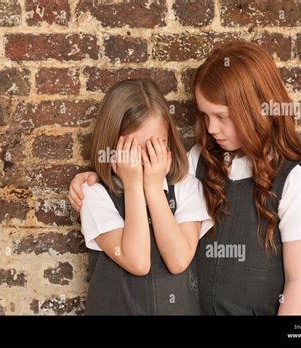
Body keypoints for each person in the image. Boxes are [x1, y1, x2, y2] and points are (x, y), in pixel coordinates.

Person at [69, 42, 301, 315]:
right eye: (205, 116)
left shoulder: (292, 182)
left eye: (222, 116)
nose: (212, 128)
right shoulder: (198, 161)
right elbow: (155, 177)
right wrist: (99, 174)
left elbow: (298, 282)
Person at [79, 78, 213, 315]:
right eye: (133, 148)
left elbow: (179, 260)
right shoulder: (95, 195)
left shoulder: (187, 188)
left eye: (155, 146)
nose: (144, 158)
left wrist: (152, 188)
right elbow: (137, 261)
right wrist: (133, 186)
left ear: (169, 142)